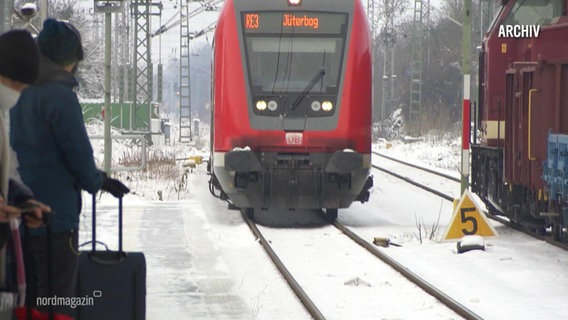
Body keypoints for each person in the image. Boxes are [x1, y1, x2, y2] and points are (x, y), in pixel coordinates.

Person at [9, 19, 129, 317]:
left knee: (29, 299)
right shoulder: (60, 98)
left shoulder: (19, 94)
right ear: (69, 60)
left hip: (19, 216)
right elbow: (78, 155)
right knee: (59, 302)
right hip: (55, 220)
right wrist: (98, 180)